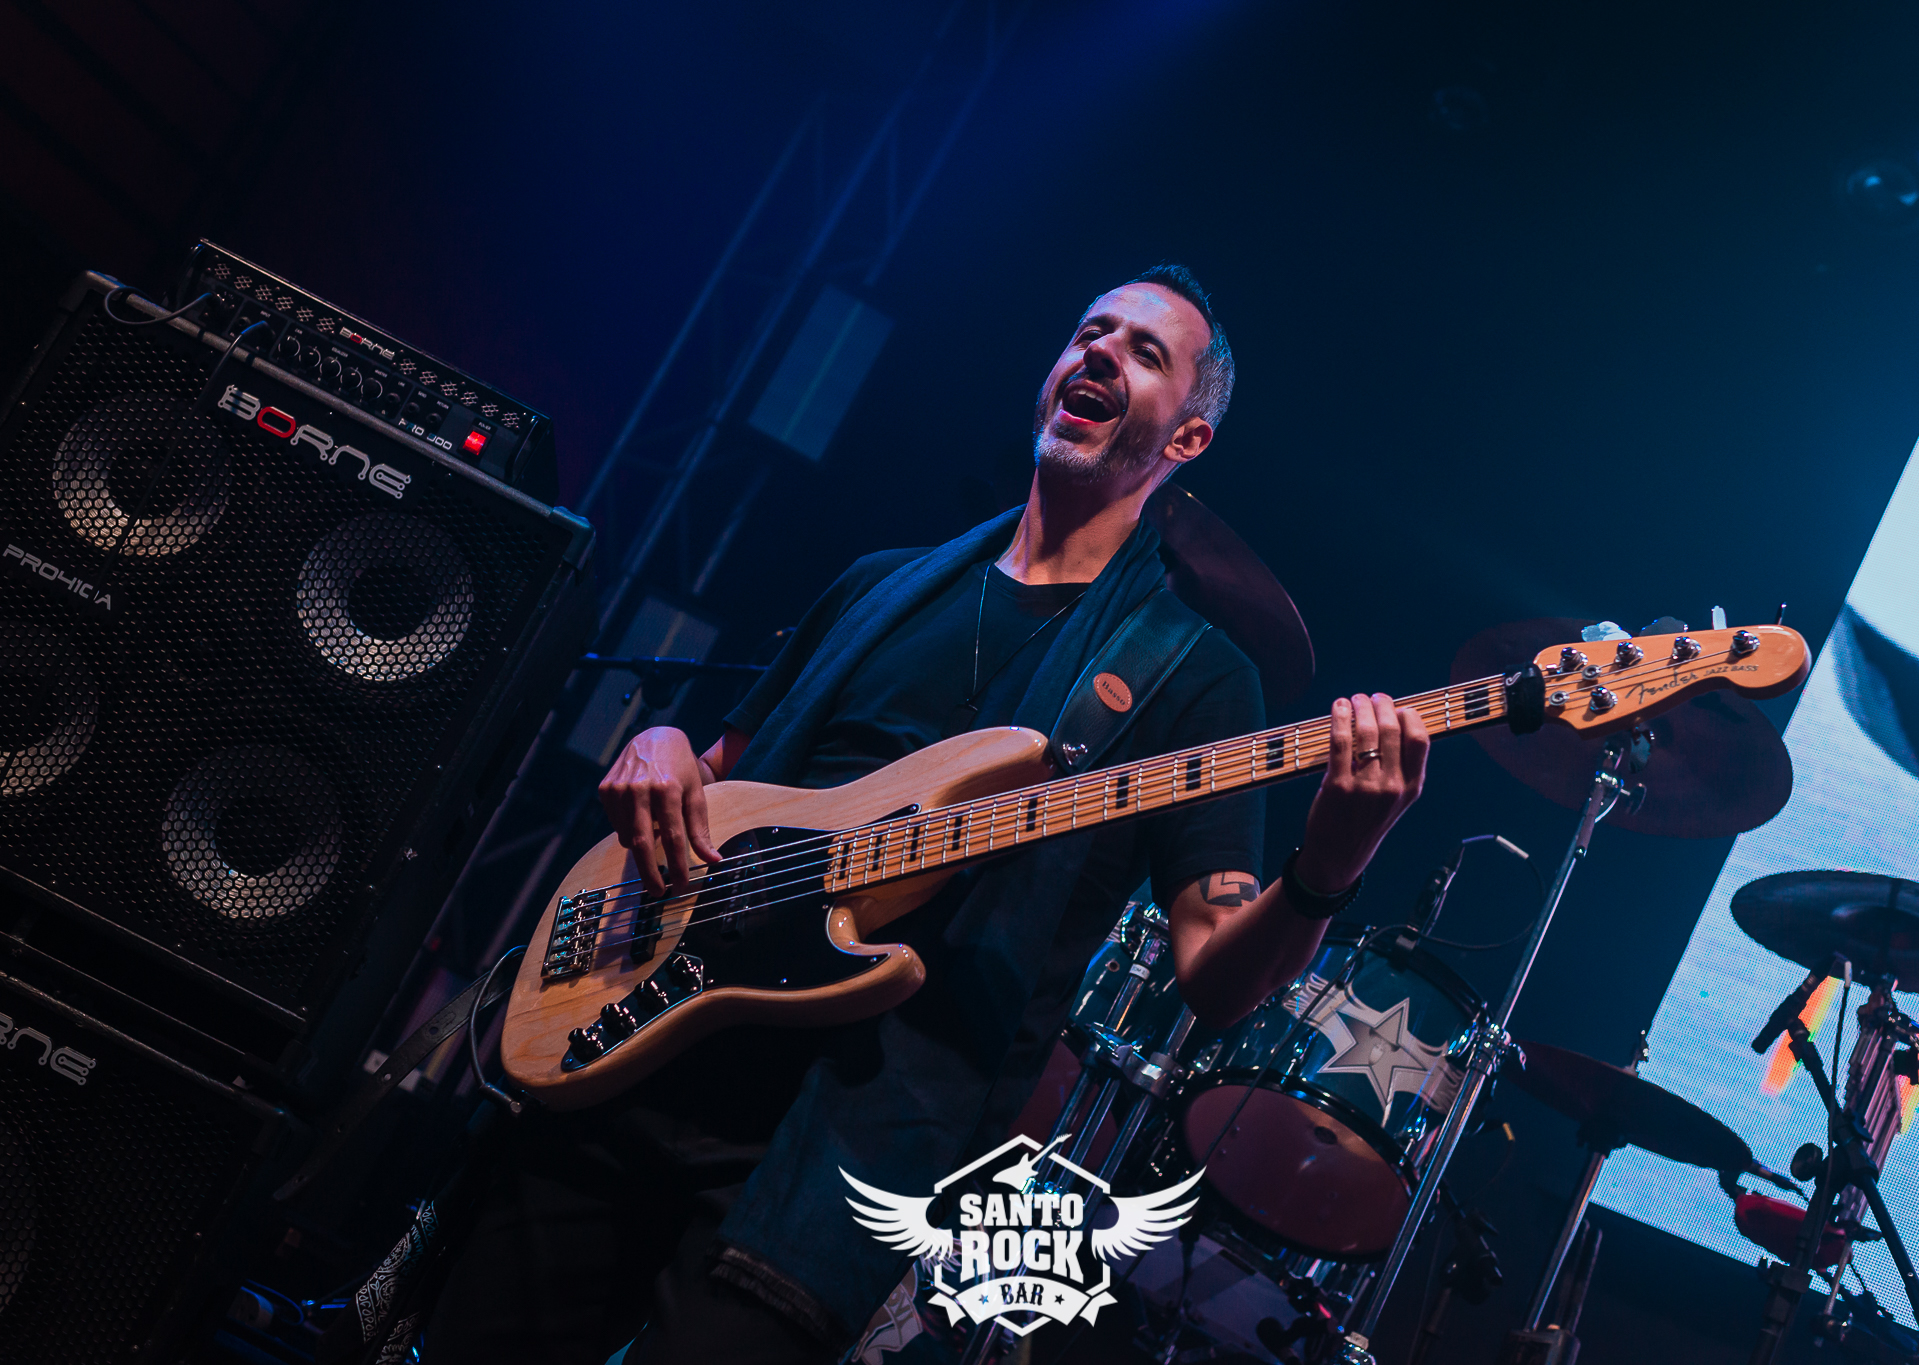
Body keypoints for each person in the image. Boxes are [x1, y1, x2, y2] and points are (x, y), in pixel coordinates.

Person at [425, 265, 1429, 1364]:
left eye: (1145, 352)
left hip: (840, 1145)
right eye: (1090, 330)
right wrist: (663, 745)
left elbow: (1215, 977)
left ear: (1187, 439)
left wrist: (1329, 865)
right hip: (641, 1044)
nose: (1100, 351)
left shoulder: (1190, 675)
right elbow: (721, 778)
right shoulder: (880, 586)